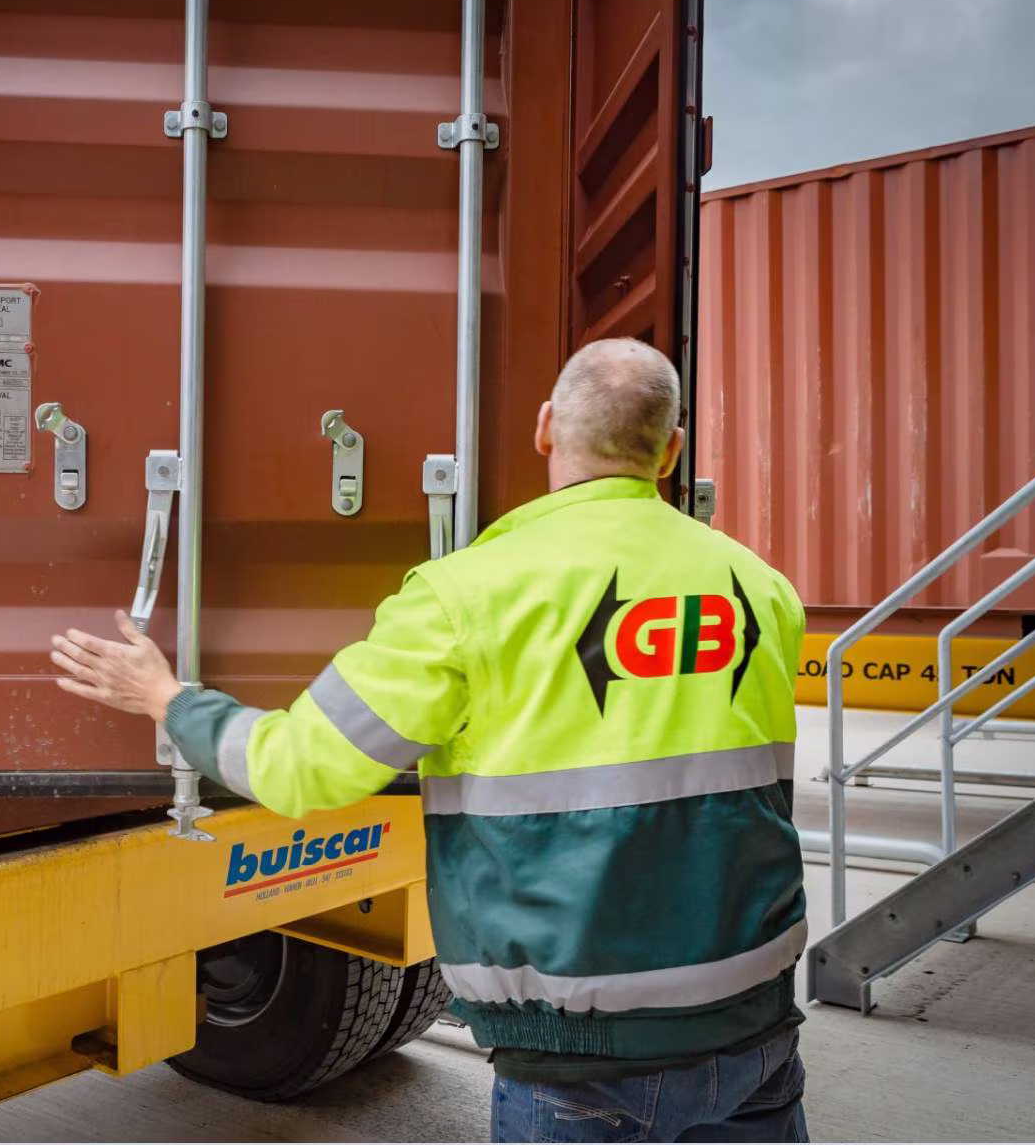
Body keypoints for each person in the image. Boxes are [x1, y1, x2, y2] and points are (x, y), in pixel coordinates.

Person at [50, 338, 809, 1143]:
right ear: (673, 450)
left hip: (585, 1055)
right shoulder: (761, 588)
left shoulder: (468, 596)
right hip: (756, 1029)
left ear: (546, 428)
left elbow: (301, 769)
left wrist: (167, 700)